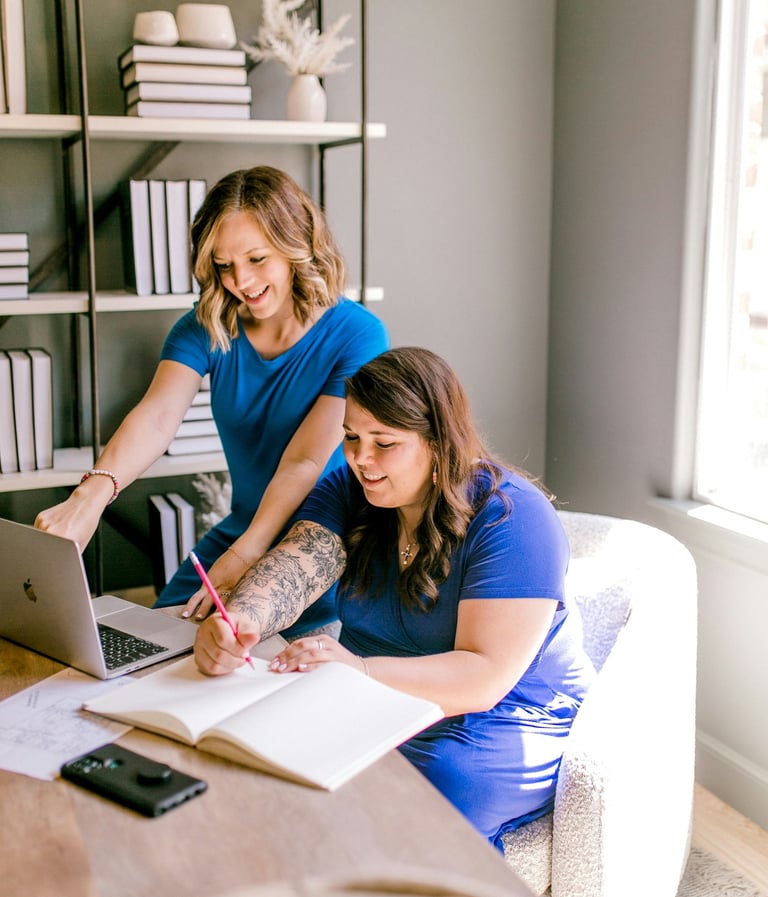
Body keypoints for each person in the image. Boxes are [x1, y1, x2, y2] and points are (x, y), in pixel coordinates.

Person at [194, 346, 596, 849]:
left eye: (384, 443)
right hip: (376, 695)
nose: (361, 459)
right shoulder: (351, 490)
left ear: (439, 443)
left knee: (432, 784)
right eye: (352, 438)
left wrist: (358, 673)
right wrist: (240, 621)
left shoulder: (513, 518)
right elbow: (296, 564)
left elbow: (485, 678)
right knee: (265, 756)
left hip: (502, 713)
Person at [34, 165, 388, 637]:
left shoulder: (357, 335)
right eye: (224, 265)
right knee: (144, 644)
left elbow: (304, 461)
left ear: (295, 244)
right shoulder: (204, 327)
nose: (240, 280)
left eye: (257, 259)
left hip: (319, 542)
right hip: (244, 527)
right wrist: (89, 498)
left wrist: (245, 556)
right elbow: (156, 417)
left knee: (227, 660)